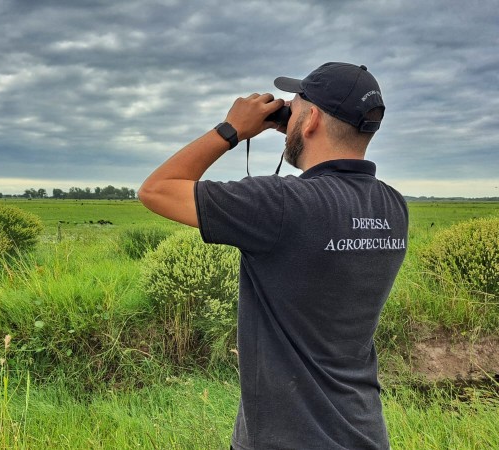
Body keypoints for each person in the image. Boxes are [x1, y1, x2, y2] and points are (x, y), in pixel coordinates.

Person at [139, 62, 408, 450]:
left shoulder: (280, 204)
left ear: (312, 117)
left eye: (295, 107)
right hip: (363, 431)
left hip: (284, 438)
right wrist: (300, 132)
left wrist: (231, 129)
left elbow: (156, 190)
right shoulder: (392, 206)